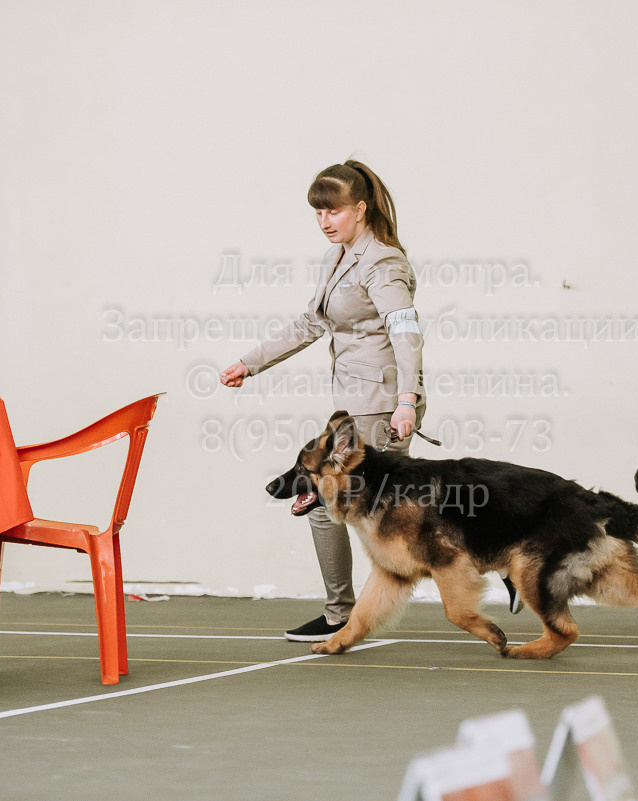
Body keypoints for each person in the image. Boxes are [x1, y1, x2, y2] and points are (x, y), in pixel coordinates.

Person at [220, 159, 518, 641]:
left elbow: (406, 333)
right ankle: (502, 557)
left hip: (380, 405)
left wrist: (407, 400)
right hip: (356, 404)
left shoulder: (382, 263)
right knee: (404, 509)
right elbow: (312, 323)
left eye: (333, 211)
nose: (324, 221)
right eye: (318, 213)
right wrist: (250, 363)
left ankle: (340, 613)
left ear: (360, 209)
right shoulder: (337, 258)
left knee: (331, 504)